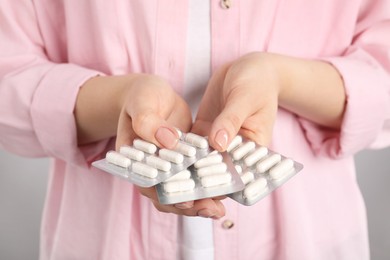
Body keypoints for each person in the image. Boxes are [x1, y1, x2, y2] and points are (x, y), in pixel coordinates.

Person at [0, 0, 389, 259]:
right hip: (103, 242)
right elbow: (9, 77)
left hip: (310, 240)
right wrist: (118, 100)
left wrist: (281, 79)